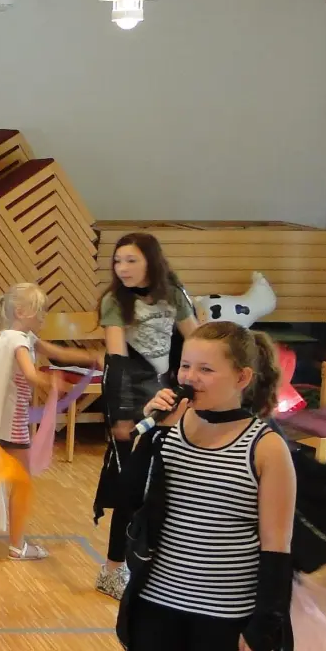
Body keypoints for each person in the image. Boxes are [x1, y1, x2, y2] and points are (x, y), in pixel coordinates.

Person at [115, 322, 296, 651]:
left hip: (223, 617)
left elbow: (276, 547)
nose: (189, 378)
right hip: (159, 606)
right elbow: (128, 499)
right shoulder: (170, 430)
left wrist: (264, 624)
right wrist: (153, 430)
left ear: (242, 378)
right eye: (185, 366)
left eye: (205, 370)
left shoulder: (266, 449)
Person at [0, 283, 98, 560]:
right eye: (40, 312)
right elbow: (30, 374)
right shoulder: (18, 341)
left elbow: (58, 354)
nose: (43, 318)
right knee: (21, 483)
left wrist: (92, 358)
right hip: (12, 425)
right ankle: (17, 546)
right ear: (22, 311)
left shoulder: (12, 336)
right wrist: (50, 382)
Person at [96, 233, 198, 599]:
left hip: (168, 389)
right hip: (131, 392)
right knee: (130, 484)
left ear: (151, 261)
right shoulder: (113, 301)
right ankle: (111, 569)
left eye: (131, 260)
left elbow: (197, 339)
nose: (122, 268)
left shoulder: (173, 291)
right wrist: (122, 416)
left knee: (168, 481)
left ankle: (161, 563)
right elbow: (117, 360)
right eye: (118, 261)